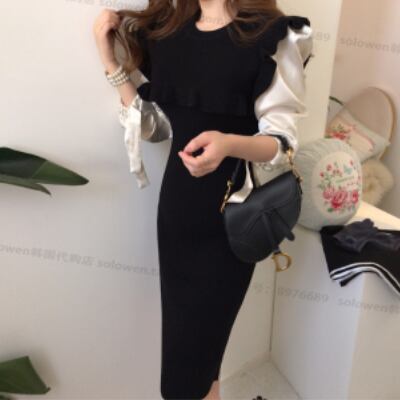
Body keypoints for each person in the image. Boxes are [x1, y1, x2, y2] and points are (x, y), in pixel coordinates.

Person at [93, 1, 313, 399]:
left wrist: (228, 143)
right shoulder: (169, 34)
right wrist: (110, 61)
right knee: (196, 356)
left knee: (190, 367)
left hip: (232, 219)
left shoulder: (271, 35)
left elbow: (282, 145)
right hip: (177, 214)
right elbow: (156, 128)